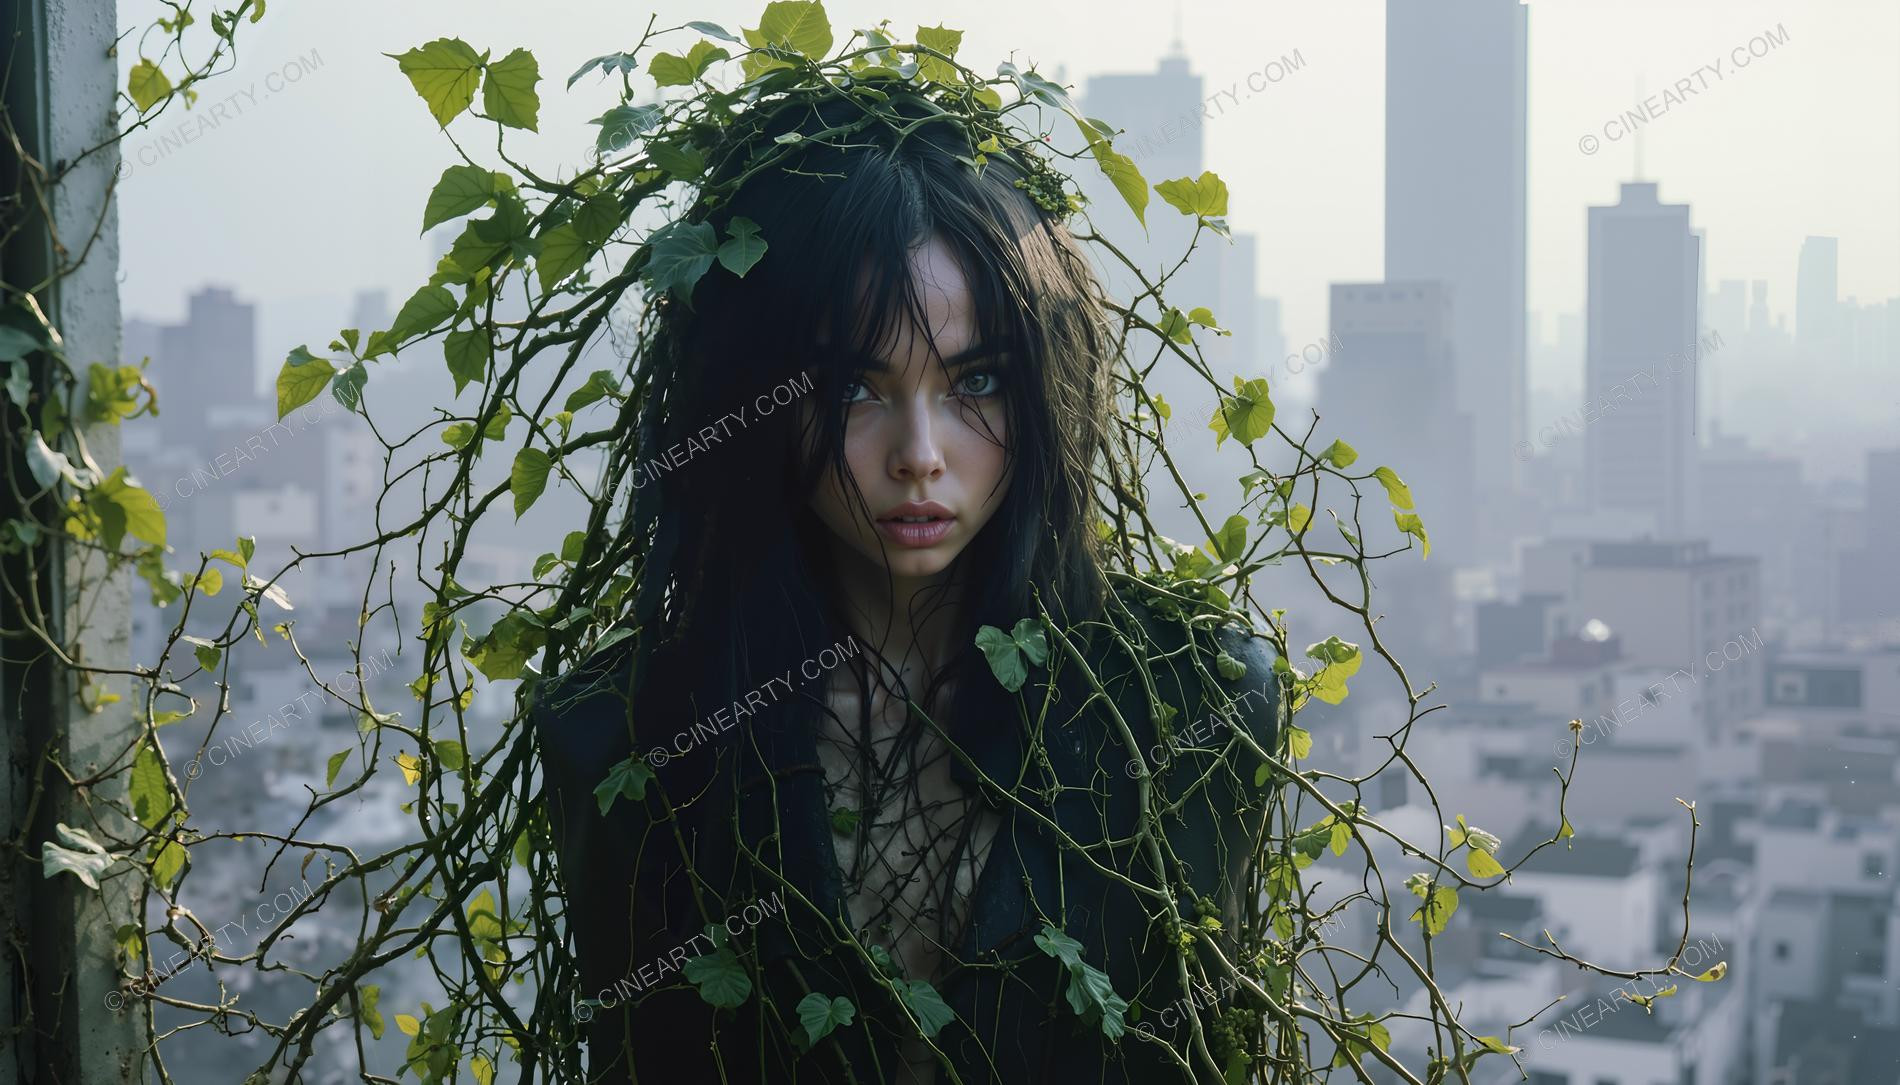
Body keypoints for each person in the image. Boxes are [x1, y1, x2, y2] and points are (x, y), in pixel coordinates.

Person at [530, 86, 1285, 1083]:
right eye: (854, 388)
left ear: (1045, 392)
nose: (919, 455)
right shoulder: (623, 736)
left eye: (975, 382)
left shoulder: (1199, 701)